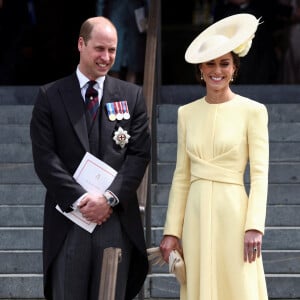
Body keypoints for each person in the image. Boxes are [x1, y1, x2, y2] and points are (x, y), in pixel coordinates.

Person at [30, 16, 151, 300]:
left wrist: (107, 199)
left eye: (112, 50)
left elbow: (139, 155)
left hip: (114, 220)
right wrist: (82, 201)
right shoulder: (50, 96)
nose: (106, 57)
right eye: (99, 49)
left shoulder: (132, 96)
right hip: (70, 219)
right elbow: (45, 158)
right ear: (81, 44)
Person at [160, 13, 269, 300]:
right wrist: (171, 230)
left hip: (234, 215)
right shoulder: (186, 113)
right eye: (211, 63)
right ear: (200, 69)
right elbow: (181, 176)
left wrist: (254, 226)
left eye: (224, 63)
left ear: (234, 68)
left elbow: (259, 176)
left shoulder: (254, 111)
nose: (217, 70)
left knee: (237, 286)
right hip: (195, 217)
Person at [95, 0, 148, 84]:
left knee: (133, 58)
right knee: (114, 54)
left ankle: (130, 94)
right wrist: (99, 21)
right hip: (116, 13)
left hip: (135, 15)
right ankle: (114, 93)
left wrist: (148, 14)